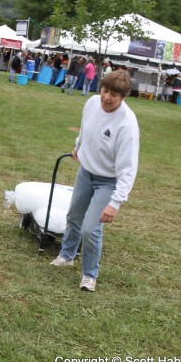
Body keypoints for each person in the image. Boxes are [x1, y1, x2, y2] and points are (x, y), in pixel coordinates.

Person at [50, 70, 140, 292]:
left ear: (123, 97)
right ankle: (66, 255)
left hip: (108, 182)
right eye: (105, 91)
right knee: (73, 216)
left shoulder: (127, 125)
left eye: (114, 95)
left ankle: (89, 274)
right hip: (85, 172)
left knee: (91, 228)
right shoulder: (91, 103)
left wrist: (115, 203)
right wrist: (78, 145)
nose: (107, 98)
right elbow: (86, 127)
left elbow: (129, 168)